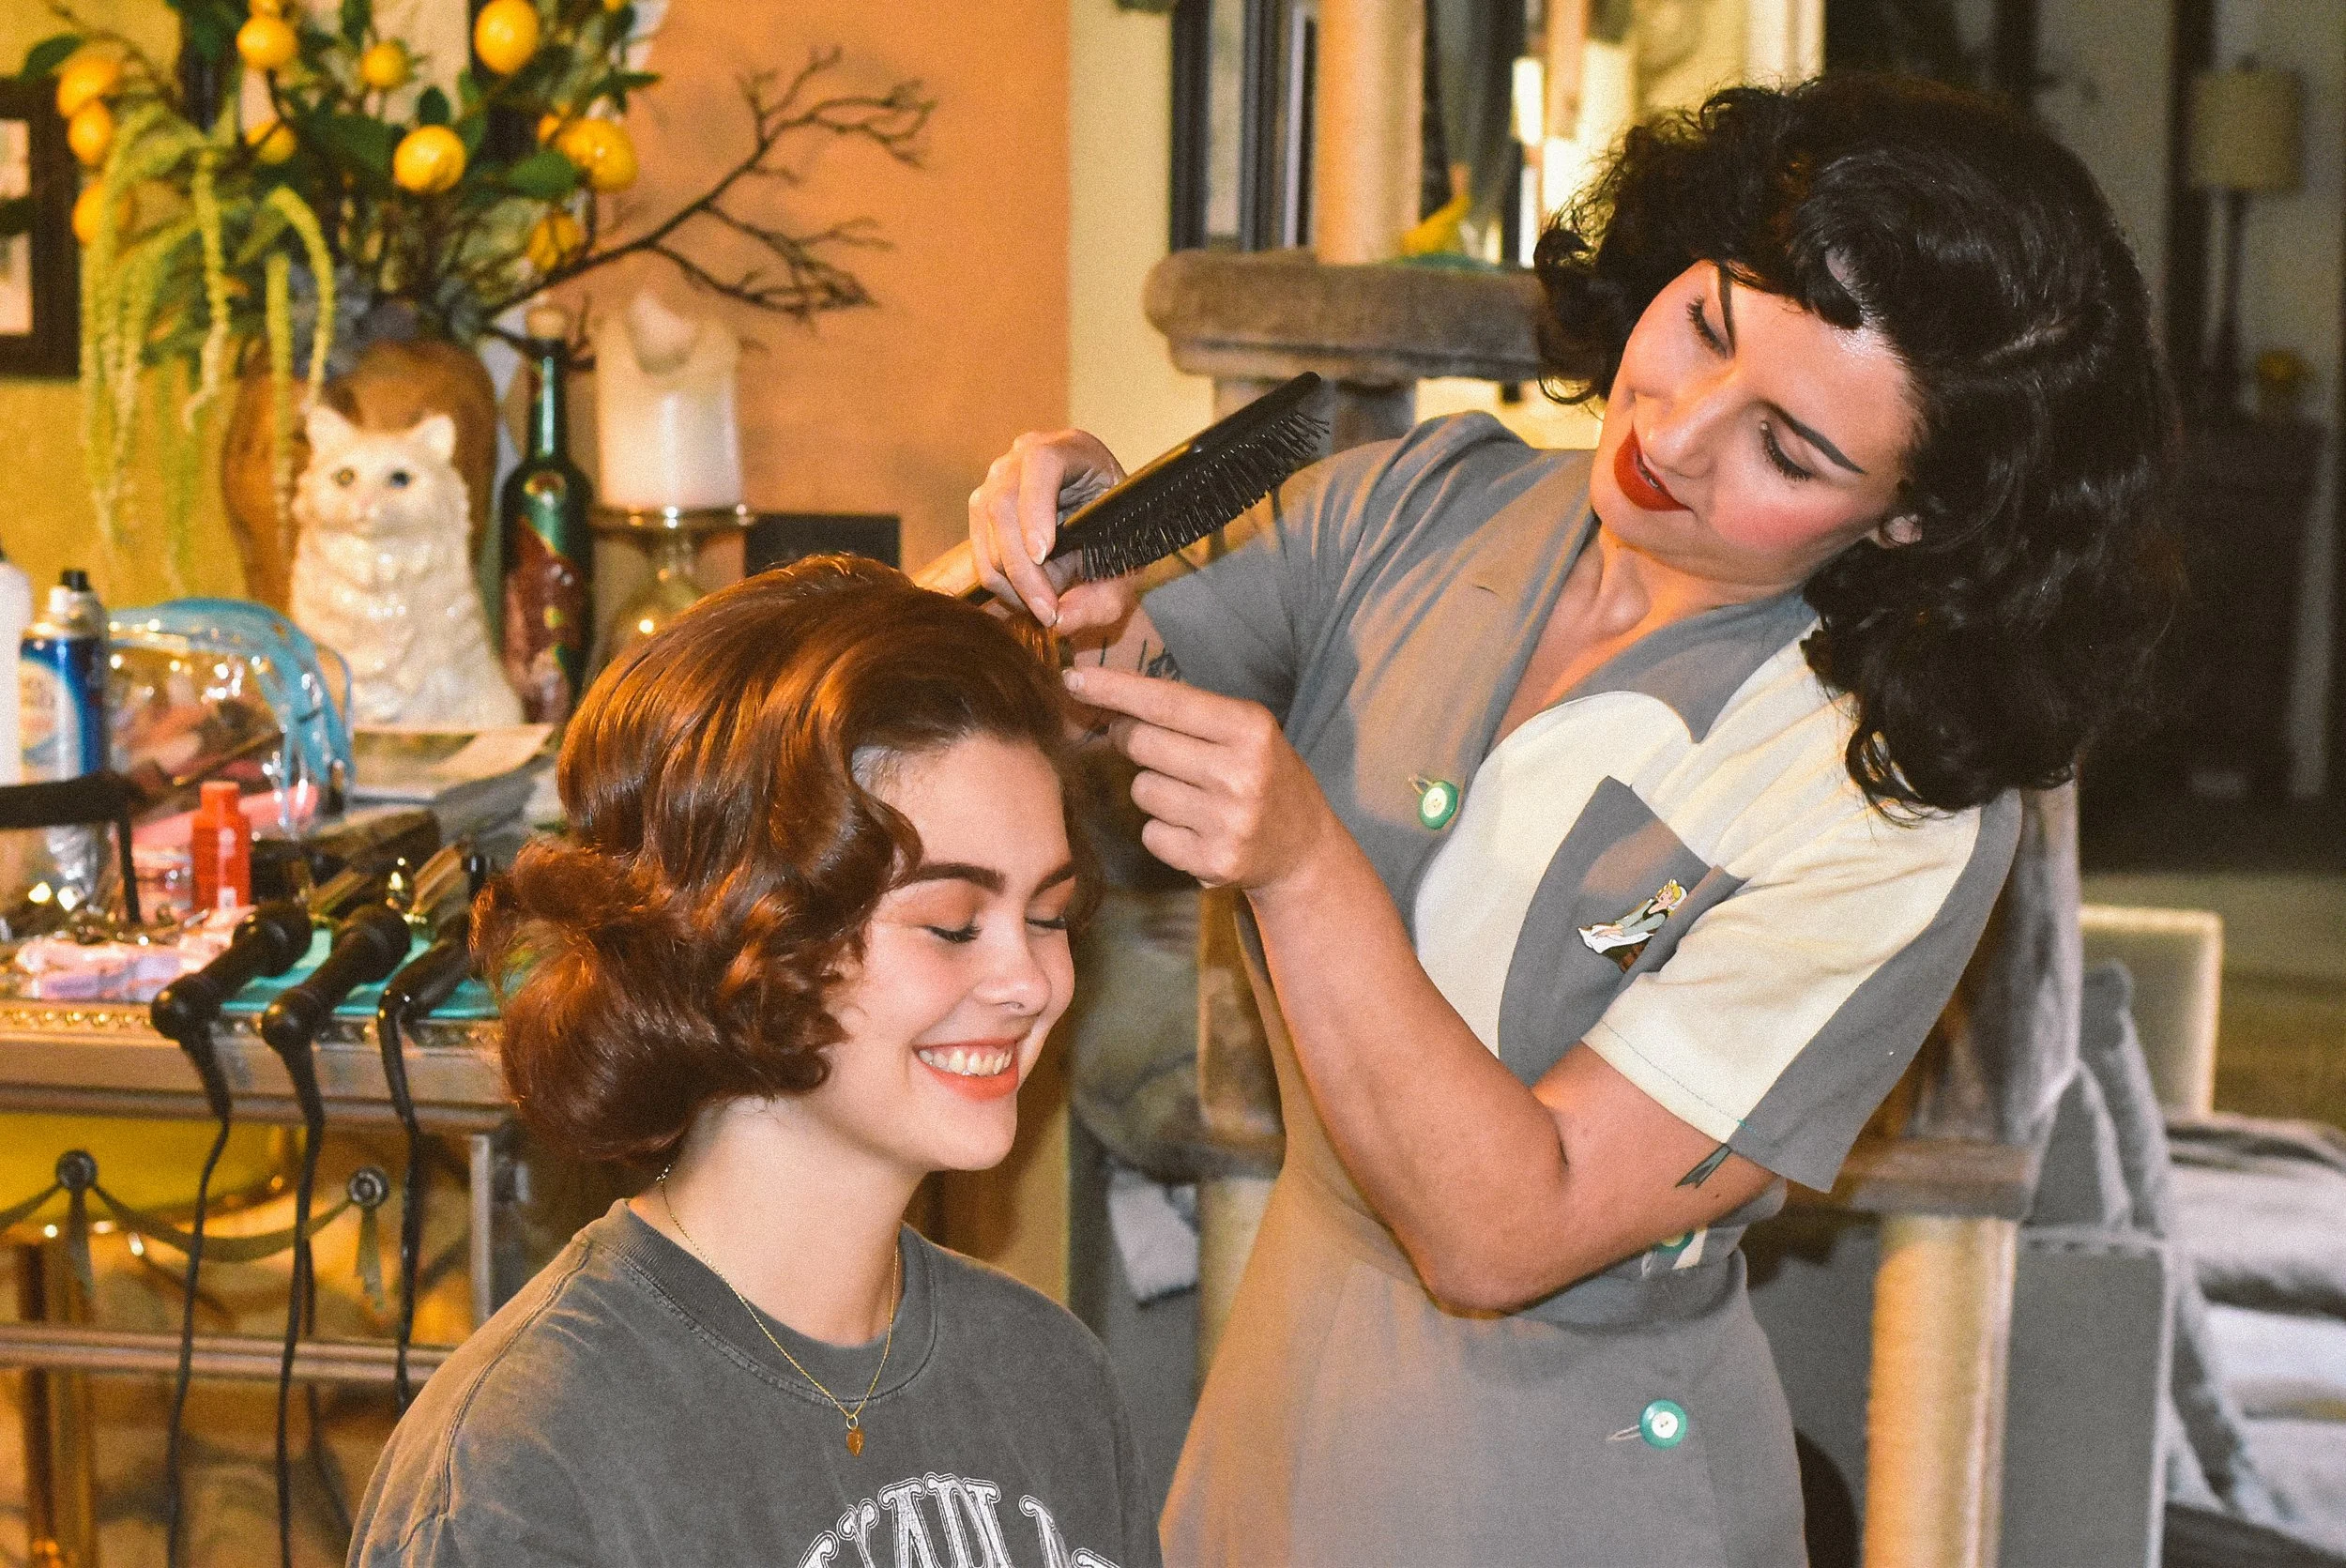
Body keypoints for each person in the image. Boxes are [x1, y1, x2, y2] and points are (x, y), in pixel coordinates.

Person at [968, 74, 2177, 1564]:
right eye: (1703, 325)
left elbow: (1504, 1229)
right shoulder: (1430, 502)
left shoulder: (1885, 806)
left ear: (1917, 518)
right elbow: (1114, 679)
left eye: (1791, 452)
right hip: (1268, 1427)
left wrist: (1299, 861)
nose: (1674, 433)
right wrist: (1075, 567)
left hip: (1578, 1487)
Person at [348, 558, 1162, 1568]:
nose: (1031, 981)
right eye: (952, 924)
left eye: (1047, 917)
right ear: (747, 930)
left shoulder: (1052, 1380)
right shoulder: (530, 1463)